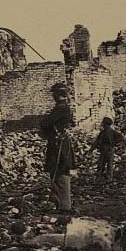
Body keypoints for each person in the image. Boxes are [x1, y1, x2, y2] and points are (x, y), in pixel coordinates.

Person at [39, 82, 76, 213]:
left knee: (60, 171)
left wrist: (44, 123)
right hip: (58, 142)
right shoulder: (63, 107)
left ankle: (64, 205)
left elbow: (46, 123)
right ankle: (60, 203)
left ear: (58, 94)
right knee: (57, 171)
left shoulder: (61, 108)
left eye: (54, 94)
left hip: (59, 144)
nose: (53, 96)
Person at [92, 116, 124, 183]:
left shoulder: (112, 132)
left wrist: (113, 143)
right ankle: (99, 178)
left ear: (107, 124)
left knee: (109, 165)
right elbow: (97, 142)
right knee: (101, 165)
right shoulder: (102, 133)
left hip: (109, 150)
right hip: (103, 150)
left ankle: (109, 179)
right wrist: (91, 149)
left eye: (104, 124)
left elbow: (121, 138)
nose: (103, 125)